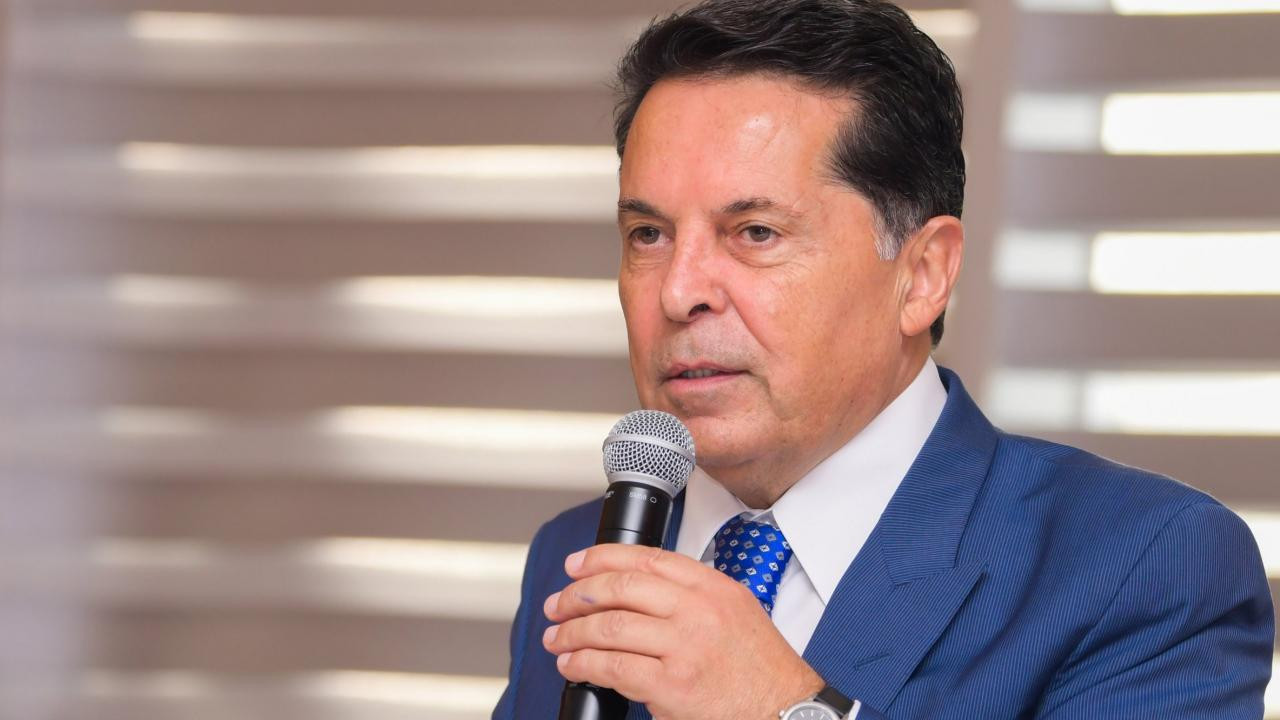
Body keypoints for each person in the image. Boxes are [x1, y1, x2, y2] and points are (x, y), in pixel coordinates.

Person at [492, 1, 1274, 718]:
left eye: (755, 233)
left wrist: (778, 709)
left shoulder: (1140, 566)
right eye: (648, 235)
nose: (678, 292)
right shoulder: (579, 555)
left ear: (922, 275)